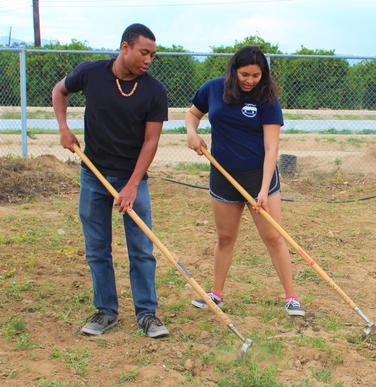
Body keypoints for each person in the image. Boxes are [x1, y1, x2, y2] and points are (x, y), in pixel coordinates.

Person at [51, 23, 169, 338]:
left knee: (141, 249)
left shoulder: (154, 91)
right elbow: (59, 90)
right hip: (94, 175)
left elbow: (151, 142)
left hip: (133, 178)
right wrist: (63, 127)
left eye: (153, 55)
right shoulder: (91, 73)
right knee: (97, 249)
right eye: (144, 52)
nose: (148, 60)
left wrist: (131, 186)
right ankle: (106, 311)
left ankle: (148, 314)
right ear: (125, 46)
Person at [185, 46, 305, 317]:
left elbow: (271, 147)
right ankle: (216, 294)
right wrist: (191, 132)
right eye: (245, 74)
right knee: (225, 237)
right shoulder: (213, 89)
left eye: (256, 75)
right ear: (233, 71)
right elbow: (192, 114)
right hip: (223, 176)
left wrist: (263, 190)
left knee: (273, 237)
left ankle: (291, 297)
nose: (250, 80)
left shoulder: (267, 99)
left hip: (258, 177)